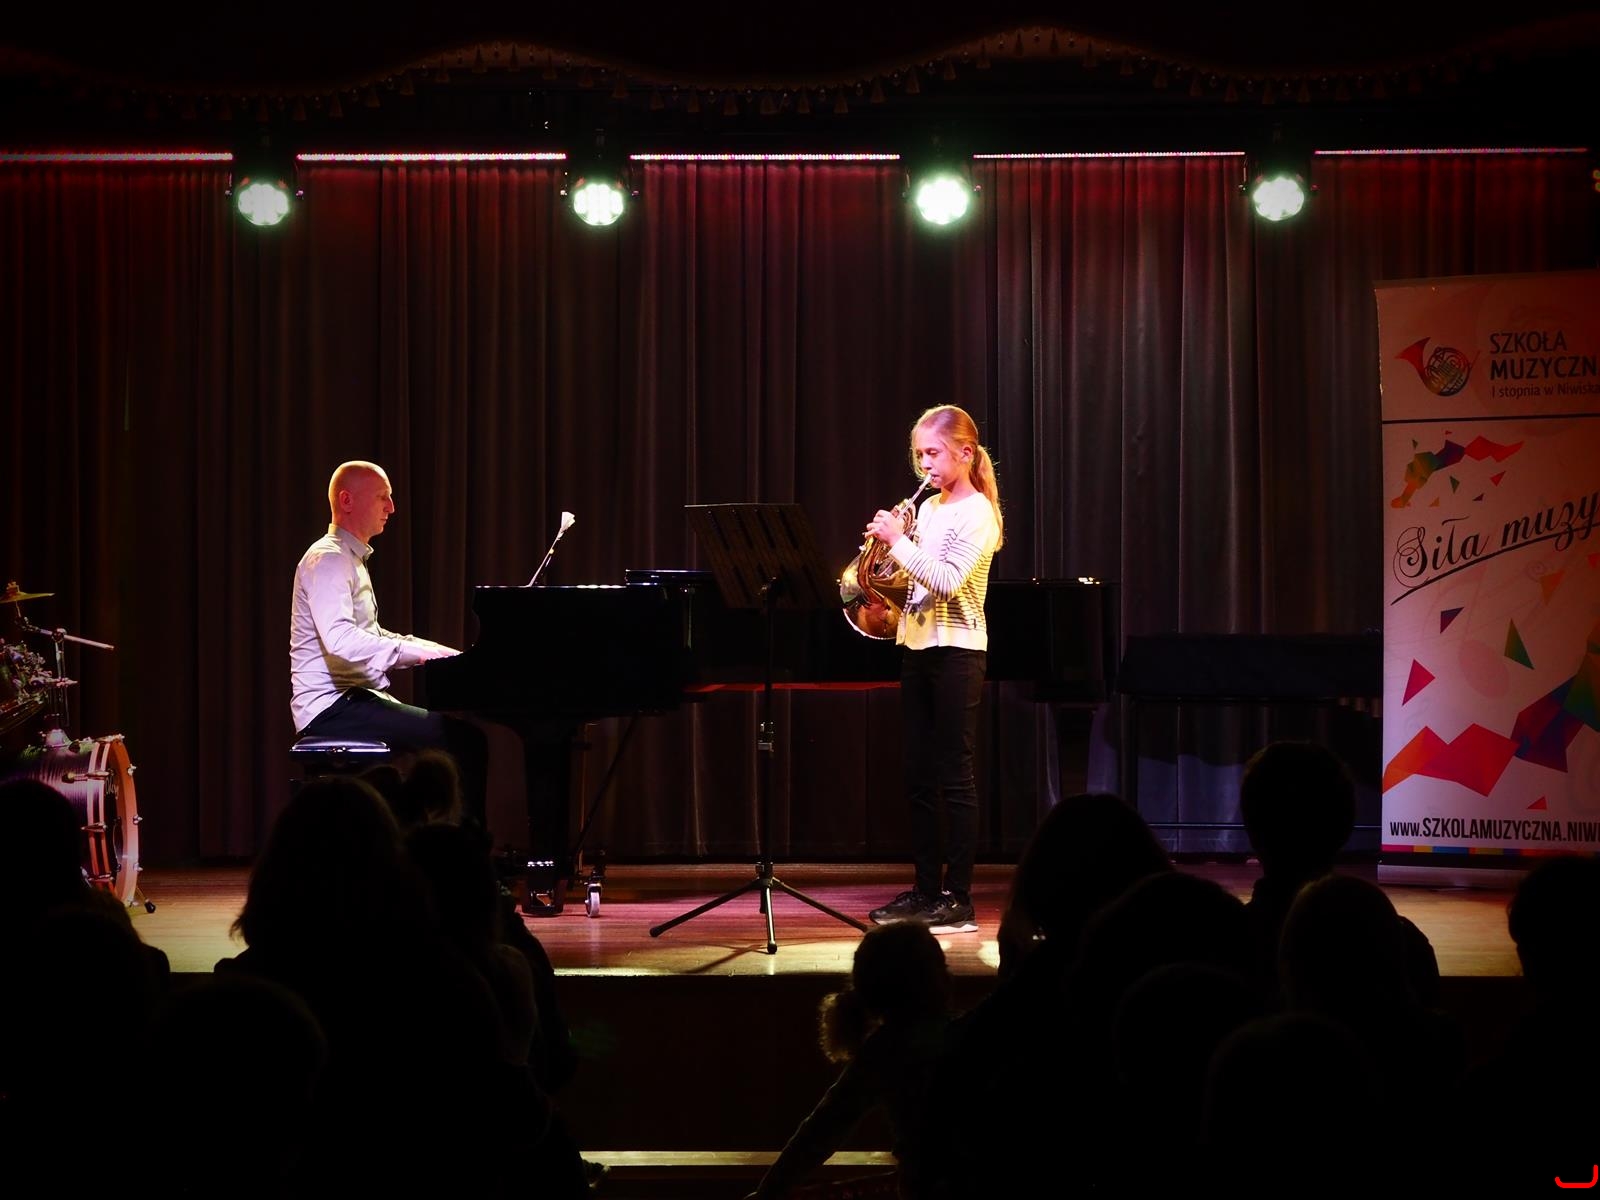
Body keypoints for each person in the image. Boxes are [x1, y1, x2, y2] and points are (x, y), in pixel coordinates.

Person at [289, 460, 489, 822]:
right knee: (464, 742)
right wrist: (419, 655)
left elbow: (373, 635)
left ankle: (421, 839)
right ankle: (463, 848)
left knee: (456, 741)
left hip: (352, 701)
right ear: (347, 500)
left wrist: (441, 653)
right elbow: (341, 640)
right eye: (383, 496)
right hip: (331, 708)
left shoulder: (348, 559)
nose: (392, 507)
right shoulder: (328, 559)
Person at [866, 405, 1002, 934]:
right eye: (919, 455)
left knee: (954, 776)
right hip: (919, 646)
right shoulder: (926, 509)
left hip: (959, 652)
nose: (925, 464)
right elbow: (914, 580)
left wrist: (899, 543)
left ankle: (959, 899)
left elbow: (946, 581)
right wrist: (884, 556)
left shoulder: (978, 513)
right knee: (918, 776)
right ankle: (925, 890)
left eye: (933, 453)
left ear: (965, 453)